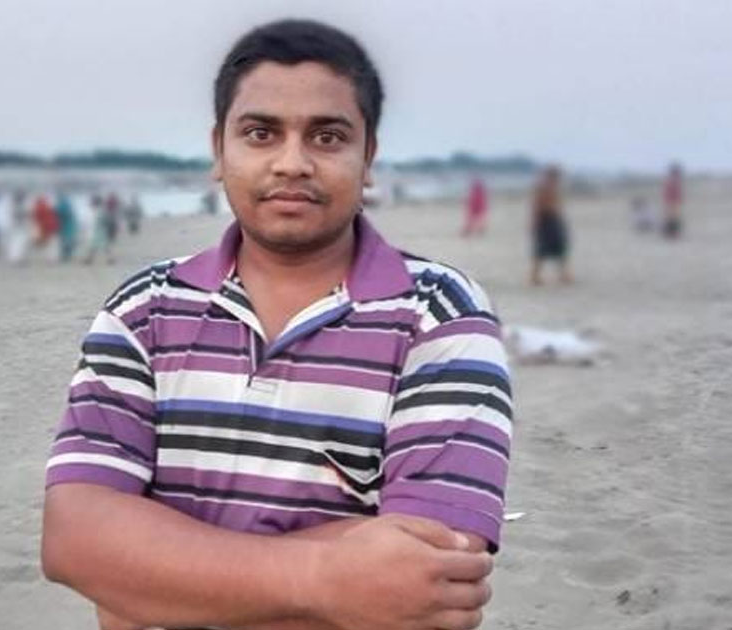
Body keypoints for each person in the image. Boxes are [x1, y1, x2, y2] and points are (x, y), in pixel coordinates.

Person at [42, 19, 511, 630]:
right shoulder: (143, 309)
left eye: (327, 136)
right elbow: (75, 542)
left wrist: (151, 574)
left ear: (368, 156)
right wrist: (325, 577)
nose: (292, 163)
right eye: (261, 133)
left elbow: (430, 591)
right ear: (219, 150)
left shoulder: (440, 314)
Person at [529, 165, 572, 285]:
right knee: (541, 250)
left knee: (560, 248)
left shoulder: (554, 188)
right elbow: (536, 207)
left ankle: (564, 274)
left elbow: (557, 206)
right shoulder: (542, 188)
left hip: (554, 220)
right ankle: (534, 276)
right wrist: (534, 223)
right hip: (545, 221)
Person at [663, 162, 684, 239]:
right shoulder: (672, 182)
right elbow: (669, 193)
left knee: (673, 218)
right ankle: (671, 234)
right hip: (671, 202)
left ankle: (672, 234)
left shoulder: (673, 181)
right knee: (672, 218)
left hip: (673, 202)